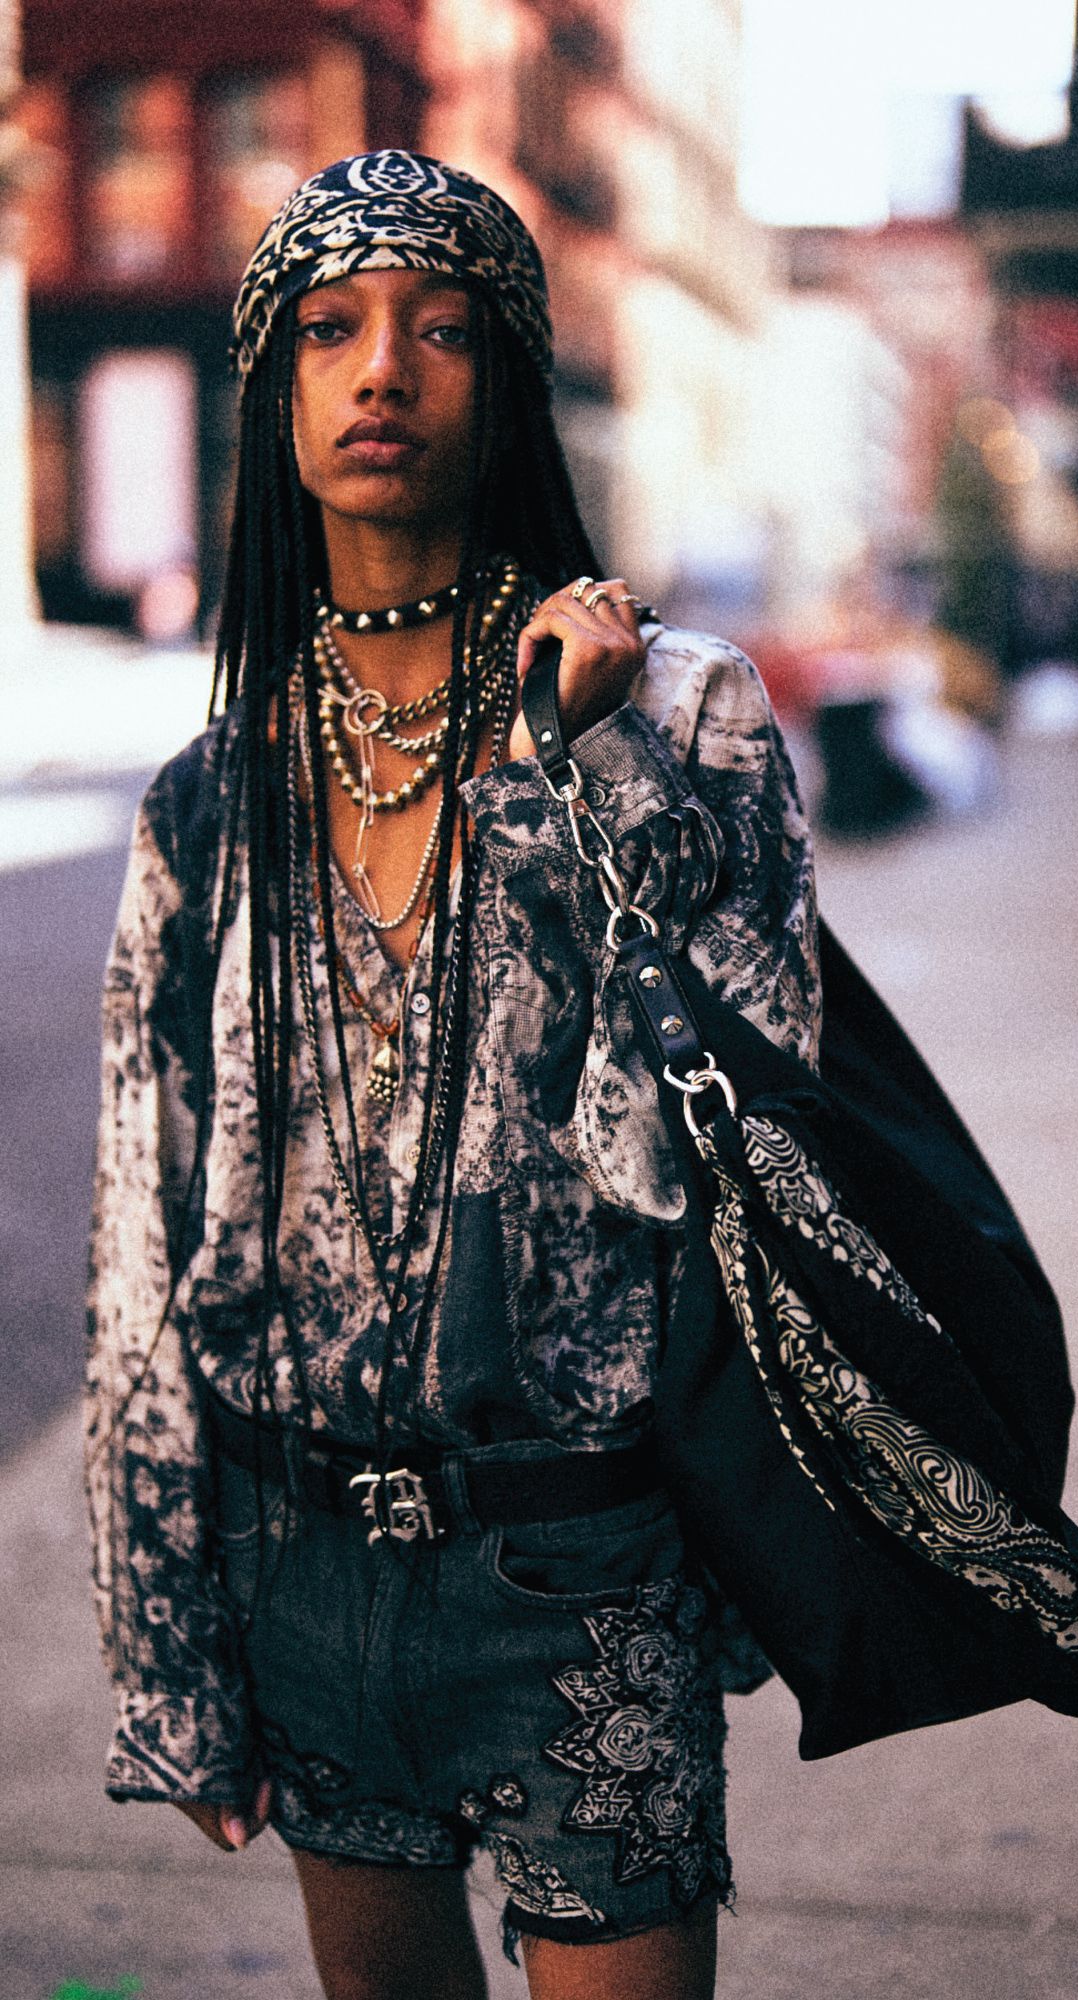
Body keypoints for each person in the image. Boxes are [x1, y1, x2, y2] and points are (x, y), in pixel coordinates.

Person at [85, 151, 819, 2000]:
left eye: (441, 329)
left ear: (512, 383)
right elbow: (143, 1242)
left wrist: (578, 779)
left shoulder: (682, 710)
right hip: (299, 1557)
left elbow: (715, 1138)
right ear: (275, 393)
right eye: (329, 331)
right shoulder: (210, 795)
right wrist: (165, 1639)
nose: (382, 371)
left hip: (576, 1560)